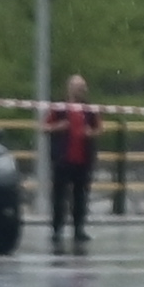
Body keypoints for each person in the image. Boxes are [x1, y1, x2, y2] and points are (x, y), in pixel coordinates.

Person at [47, 75, 101, 253]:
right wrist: (59, 127)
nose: (82, 90)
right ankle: (57, 229)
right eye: (78, 87)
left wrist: (90, 133)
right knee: (59, 196)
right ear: (69, 88)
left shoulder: (90, 109)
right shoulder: (60, 108)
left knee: (81, 196)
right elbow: (44, 127)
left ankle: (79, 229)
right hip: (62, 159)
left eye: (83, 87)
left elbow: (100, 129)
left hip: (83, 160)